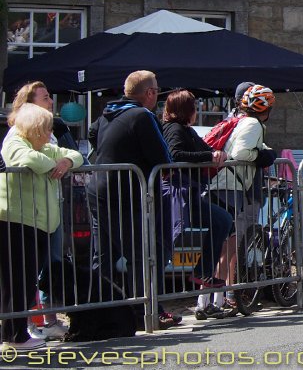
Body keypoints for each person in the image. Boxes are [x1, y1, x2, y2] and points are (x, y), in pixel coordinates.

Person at [87, 70, 180, 329]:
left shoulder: (107, 113)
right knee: (140, 254)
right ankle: (145, 312)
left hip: (99, 189)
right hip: (125, 192)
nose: (157, 96)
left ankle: (99, 312)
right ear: (149, 93)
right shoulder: (142, 116)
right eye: (157, 91)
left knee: (102, 255)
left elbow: (93, 135)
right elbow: (162, 158)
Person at [0, 103, 83, 352]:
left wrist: (66, 161)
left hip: (37, 222)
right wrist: (53, 165)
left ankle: (16, 334)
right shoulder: (16, 142)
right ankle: (13, 336)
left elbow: (76, 155)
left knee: (25, 282)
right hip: (16, 221)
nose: (50, 133)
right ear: (35, 128)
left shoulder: (43, 146)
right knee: (16, 282)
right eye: (46, 128)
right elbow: (25, 158)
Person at [159, 90, 234, 318]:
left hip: (189, 195)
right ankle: (156, 301)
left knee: (223, 220)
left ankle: (203, 273)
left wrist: (216, 153)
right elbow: (175, 154)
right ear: (187, 110)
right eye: (194, 106)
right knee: (167, 243)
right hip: (177, 195)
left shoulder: (187, 130)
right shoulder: (174, 129)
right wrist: (208, 157)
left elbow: (204, 149)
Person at [207, 85, 278, 311]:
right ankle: (212, 301)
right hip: (230, 187)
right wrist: (263, 155)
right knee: (226, 247)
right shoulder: (254, 124)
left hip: (227, 185)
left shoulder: (244, 122)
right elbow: (240, 154)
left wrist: (264, 150)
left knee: (224, 246)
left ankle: (213, 300)